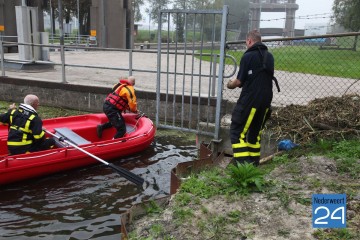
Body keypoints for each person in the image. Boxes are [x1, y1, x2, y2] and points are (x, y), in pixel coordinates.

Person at [227, 30, 276, 166]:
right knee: (254, 134)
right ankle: (254, 166)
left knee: (237, 132)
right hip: (266, 101)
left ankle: (245, 168)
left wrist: (229, 84)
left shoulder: (248, 56)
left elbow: (238, 82)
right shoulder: (269, 56)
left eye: (246, 43)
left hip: (251, 101)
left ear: (249, 41)